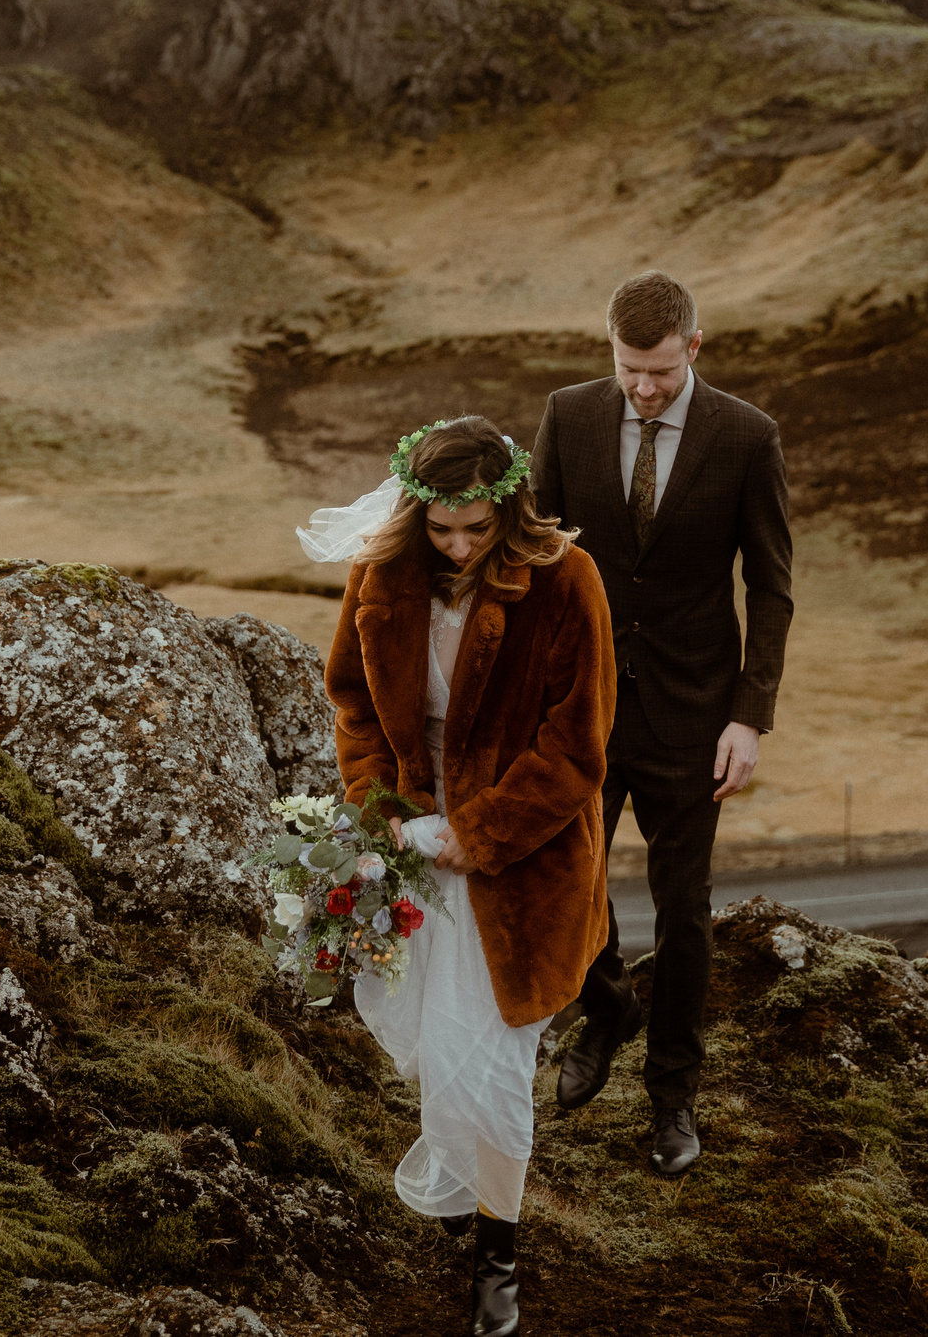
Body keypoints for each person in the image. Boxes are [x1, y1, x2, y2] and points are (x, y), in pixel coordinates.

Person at [305, 416, 615, 1337]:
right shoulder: (381, 575)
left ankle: (498, 1256)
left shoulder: (568, 581)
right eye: (442, 529)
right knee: (436, 1044)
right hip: (413, 840)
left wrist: (469, 834)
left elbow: (576, 747)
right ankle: (465, 1180)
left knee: (493, 1057)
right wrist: (386, 812)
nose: (459, 546)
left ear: (508, 508)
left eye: (477, 529)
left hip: (523, 860)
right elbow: (352, 702)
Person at [529, 270, 793, 1177]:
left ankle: (673, 1097)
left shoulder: (747, 436)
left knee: (685, 911)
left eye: (660, 371)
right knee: (570, 878)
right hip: (586, 704)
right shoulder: (566, 416)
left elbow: (771, 584)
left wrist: (748, 716)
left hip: (694, 715)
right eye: (628, 367)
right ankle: (608, 1007)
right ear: (611, 348)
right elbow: (534, 558)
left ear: (694, 347)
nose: (643, 387)